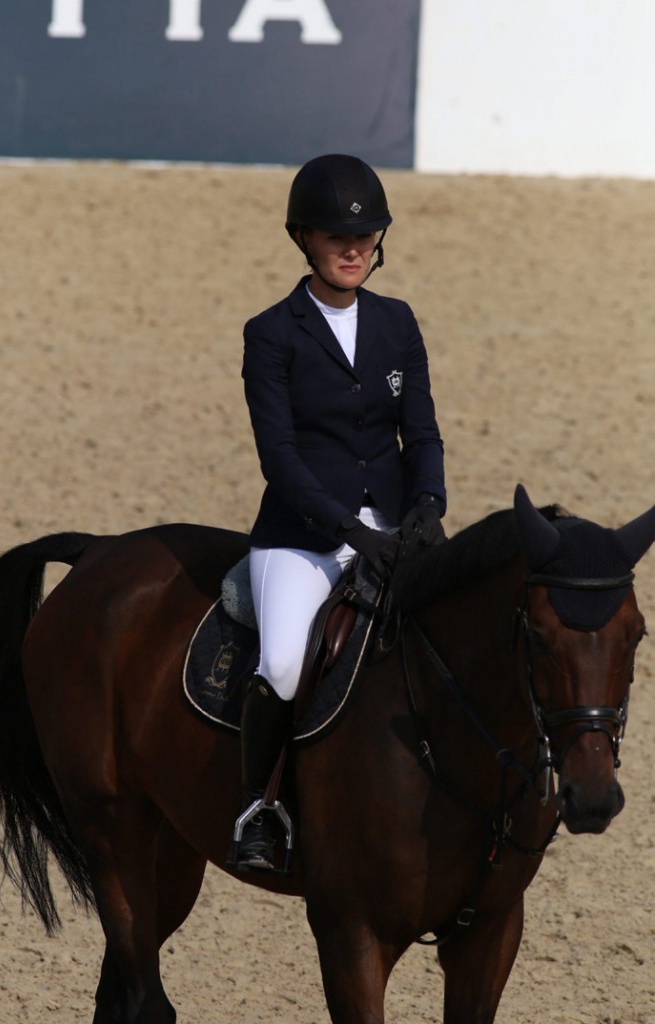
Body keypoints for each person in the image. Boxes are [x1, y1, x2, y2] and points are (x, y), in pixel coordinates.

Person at [234, 153, 446, 871]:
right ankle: (262, 808)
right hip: (301, 538)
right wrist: (350, 532)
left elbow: (419, 433)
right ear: (303, 239)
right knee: (286, 663)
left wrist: (427, 503)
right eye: (334, 237)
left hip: (391, 526)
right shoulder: (271, 333)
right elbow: (280, 461)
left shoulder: (396, 323)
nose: (352, 249)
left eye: (365, 236)